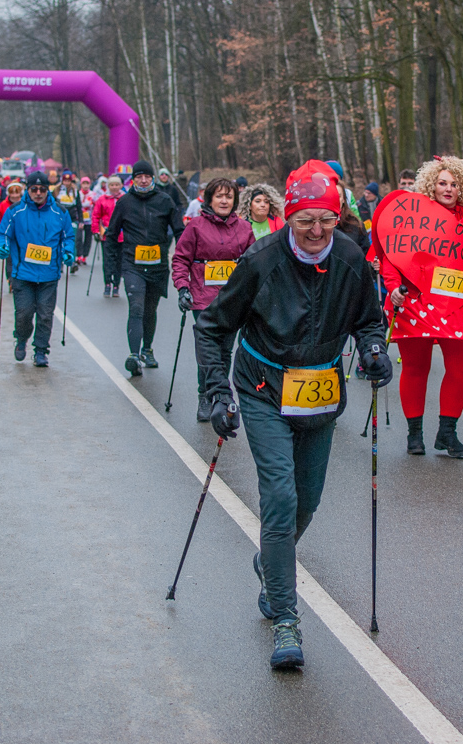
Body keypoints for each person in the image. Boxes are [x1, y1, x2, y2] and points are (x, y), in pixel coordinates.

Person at [195, 160, 391, 669]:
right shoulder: (261, 260)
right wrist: (217, 392)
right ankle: (286, 617)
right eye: (306, 220)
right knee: (280, 498)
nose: (316, 230)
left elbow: (370, 320)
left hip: (319, 394)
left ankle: (271, 561)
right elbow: (213, 326)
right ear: (289, 217)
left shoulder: (350, 258)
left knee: (306, 501)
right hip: (262, 387)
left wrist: (374, 350)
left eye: (326, 220)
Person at [381, 156, 463, 458]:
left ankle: (447, 432)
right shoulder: (411, 215)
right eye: (442, 183)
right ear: (432, 185)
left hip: (462, 303)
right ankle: (414, 434)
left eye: (454, 183)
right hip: (417, 300)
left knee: (460, 369)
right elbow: (392, 254)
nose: (448, 188)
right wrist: (393, 288)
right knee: (415, 368)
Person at [171, 177, 255, 421]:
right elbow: (180, 259)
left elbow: (254, 263)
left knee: (225, 350)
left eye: (229, 196)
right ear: (209, 199)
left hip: (232, 299)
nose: (224, 201)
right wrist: (182, 287)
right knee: (208, 350)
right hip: (202, 298)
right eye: (219, 196)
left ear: (235, 200)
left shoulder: (245, 228)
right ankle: (205, 396)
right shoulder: (195, 226)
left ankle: (220, 395)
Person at [105, 160, 185, 376]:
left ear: (152, 178)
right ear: (133, 179)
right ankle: (133, 356)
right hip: (132, 264)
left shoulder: (165, 200)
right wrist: (112, 268)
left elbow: (179, 230)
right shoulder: (124, 202)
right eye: (138, 177)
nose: (143, 180)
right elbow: (111, 235)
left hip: (158, 265)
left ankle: (147, 350)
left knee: (150, 310)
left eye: (146, 176)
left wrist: (184, 256)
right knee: (136, 307)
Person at [0, 170, 74, 367]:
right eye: (34, 189)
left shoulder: (60, 212)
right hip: (23, 274)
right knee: (24, 313)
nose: (38, 193)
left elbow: (68, 236)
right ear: (27, 190)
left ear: (47, 190)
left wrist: (68, 251)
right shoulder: (15, 211)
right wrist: (2, 246)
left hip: (49, 275)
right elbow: (2, 233)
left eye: (42, 189)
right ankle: (21, 338)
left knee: (45, 315)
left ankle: (41, 351)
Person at [92, 175, 125, 296]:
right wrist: (96, 230)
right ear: (108, 186)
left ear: (121, 186)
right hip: (107, 234)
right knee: (107, 261)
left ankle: (116, 285)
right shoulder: (102, 199)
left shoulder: (125, 199)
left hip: (122, 236)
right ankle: (107, 284)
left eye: (117, 185)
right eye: (112, 185)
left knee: (119, 261)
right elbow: (96, 215)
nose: (114, 187)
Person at [55, 175, 84, 273]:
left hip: (72, 219)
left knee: (72, 240)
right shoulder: (57, 190)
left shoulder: (75, 191)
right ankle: (60, 262)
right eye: (65, 181)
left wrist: (81, 220)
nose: (67, 183)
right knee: (59, 240)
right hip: (59, 219)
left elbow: (79, 206)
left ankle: (72, 262)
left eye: (68, 181)